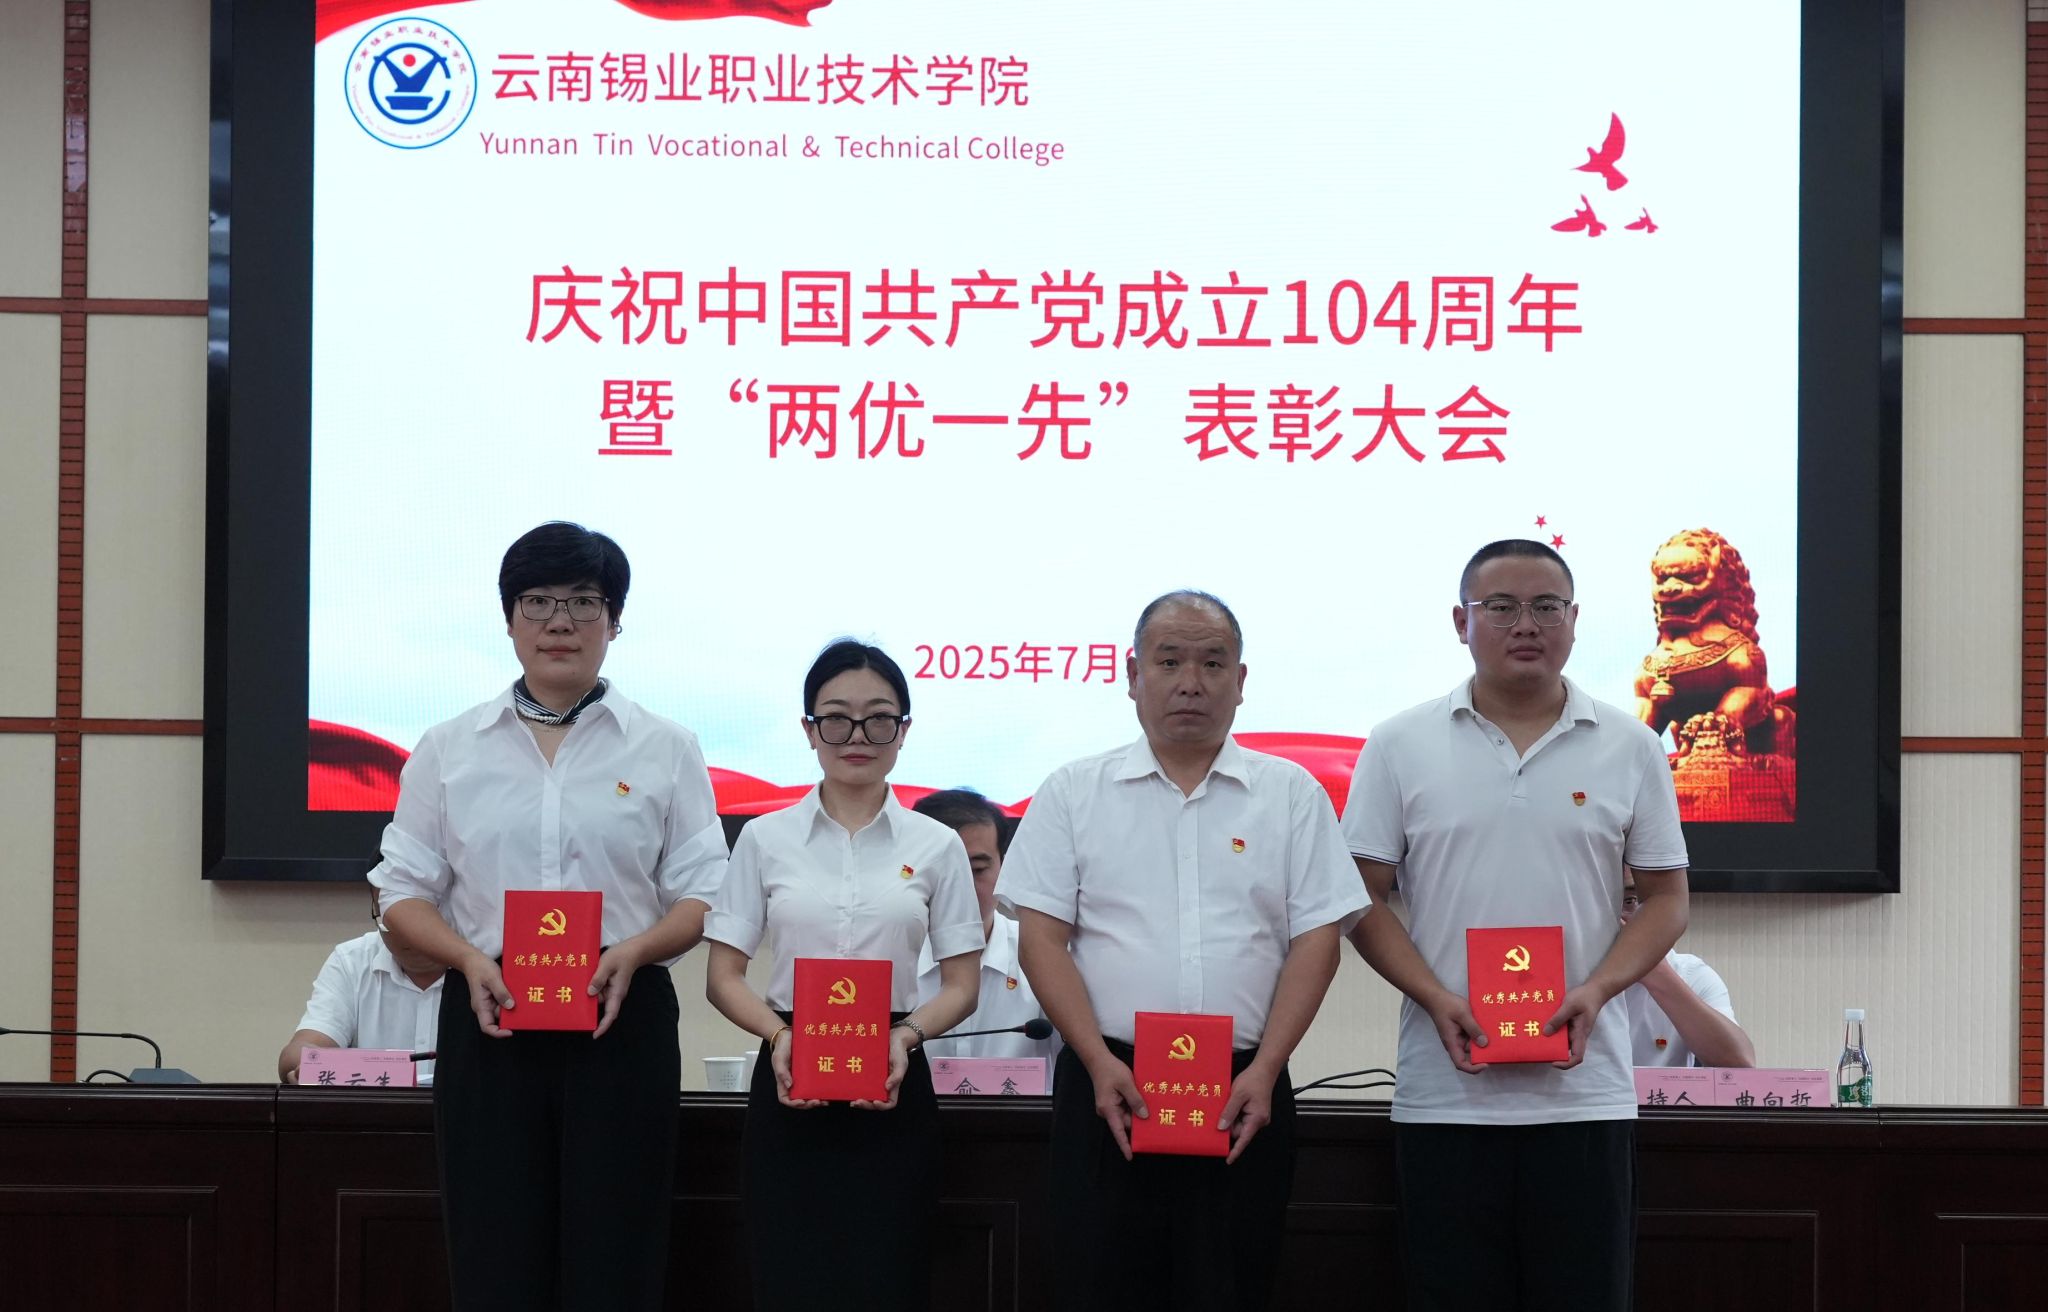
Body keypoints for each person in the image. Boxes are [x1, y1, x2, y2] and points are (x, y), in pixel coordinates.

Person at [368, 521, 729, 1312]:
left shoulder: (666, 747)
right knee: (494, 1251)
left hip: (620, 1014)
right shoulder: (449, 748)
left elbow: (704, 893)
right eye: (537, 601)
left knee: (617, 1251)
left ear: (614, 620)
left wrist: (637, 950)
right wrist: (467, 959)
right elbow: (402, 892)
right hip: (490, 1014)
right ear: (508, 619)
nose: (559, 621)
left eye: (583, 601)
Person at [1341, 538, 1691, 1312]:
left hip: (1585, 1095)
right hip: (1446, 1095)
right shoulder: (1399, 744)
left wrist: (1598, 990)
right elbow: (1360, 898)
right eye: (1500, 607)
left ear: (1575, 620)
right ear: (1461, 622)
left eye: (1545, 607)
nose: (1525, 624)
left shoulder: (1631, 745)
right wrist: (1434, 997)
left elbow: (1668, 899)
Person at [996, 590, 1369, 1312]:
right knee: (1099, 1286)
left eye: (1212, 663)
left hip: (1243, 1087)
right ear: (1132, 675)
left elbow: (1318, 939)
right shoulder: (1073, 791)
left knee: (1231, 1284)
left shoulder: (1290, 793)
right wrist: (1096, 1060)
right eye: (1169, 662)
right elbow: (1041, 939)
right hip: (1108, 1080)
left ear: (1241, 680)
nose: (1191, 682)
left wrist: (1267, 1069)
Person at [703, 640, 982, 1312]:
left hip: (893, 1073)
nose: (857, 735)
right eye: (836, 718)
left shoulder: (937, 845)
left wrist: (906, 1037)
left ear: (903, 731)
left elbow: (962, 985)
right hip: (789, 1071)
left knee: (890, 1276)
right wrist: (778, 1037)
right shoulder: (764, 838)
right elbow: (724, 975)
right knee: (789, 1276)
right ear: (809, 729)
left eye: (879, 718)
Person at [911, 788, 1056, 1065]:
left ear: (1005, 865)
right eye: (943, 872)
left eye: (977, 869)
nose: (960, 888)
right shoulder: (891, 960)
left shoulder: (1045, 956)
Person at [278, 886, 445, 1084]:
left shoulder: (479, 962)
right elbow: (300, 1050)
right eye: (390, 915)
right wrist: (309, 1065)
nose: (408, 931)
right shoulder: (352, 960)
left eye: (420, 914)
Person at [1622, 870, 1754, 1067]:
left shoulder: (1690, 973)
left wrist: (1652, 968)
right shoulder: (1572, 972)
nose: (1614, 919)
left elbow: (1739, 1064)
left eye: (1629, 901)